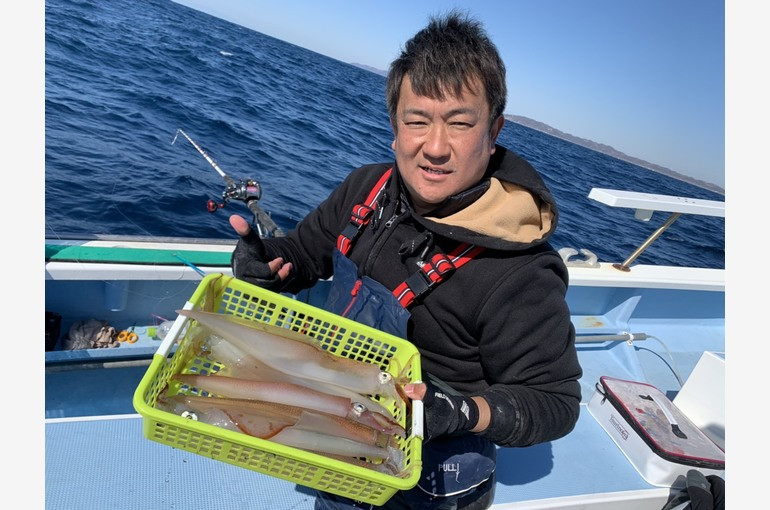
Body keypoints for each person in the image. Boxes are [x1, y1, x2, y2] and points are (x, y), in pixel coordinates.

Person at [228, 10, 582, 510]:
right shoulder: (366, 189)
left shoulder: (520, 271)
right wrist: (269, 262)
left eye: (460, 123)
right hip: (343, 428)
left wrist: (459, 411)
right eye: (417, 120)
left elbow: (555, 403)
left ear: (493, 130)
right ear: (395, 125)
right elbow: (305, 255)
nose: (434, 148)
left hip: (434, 473)